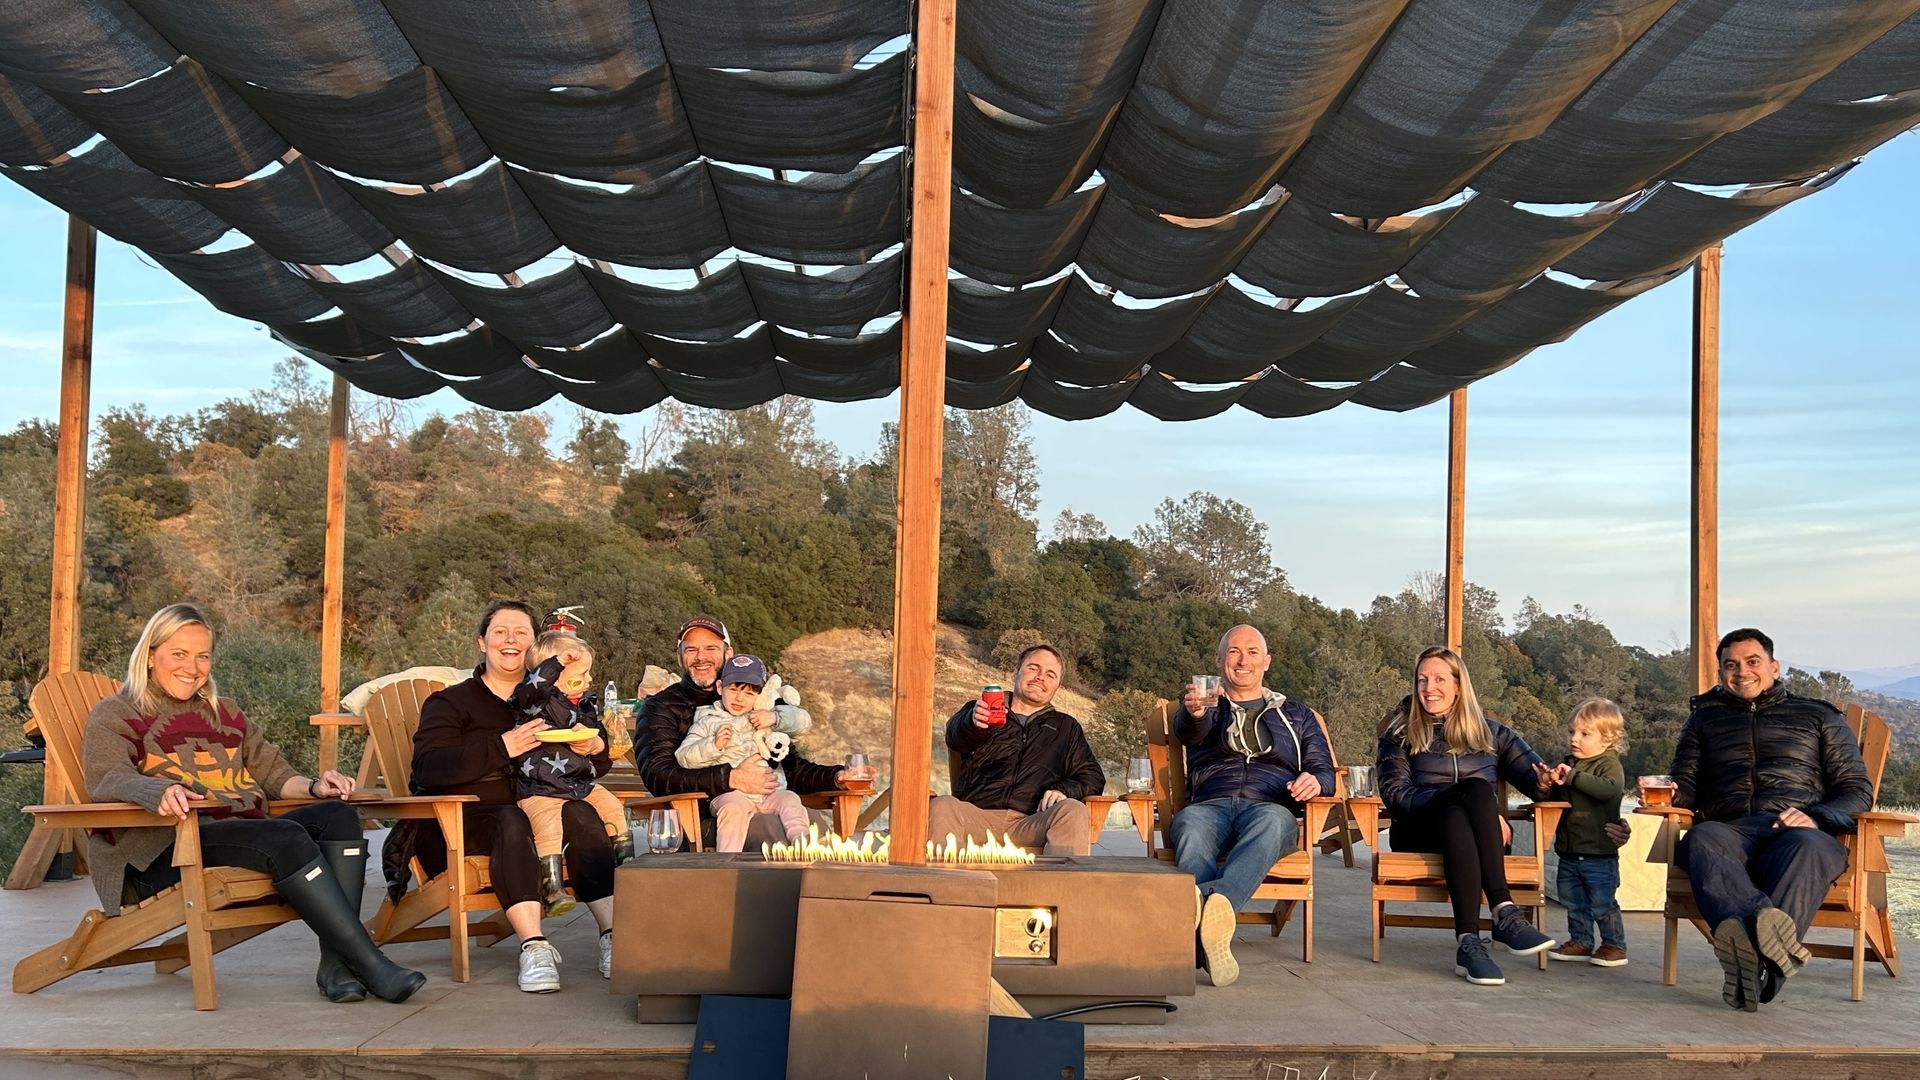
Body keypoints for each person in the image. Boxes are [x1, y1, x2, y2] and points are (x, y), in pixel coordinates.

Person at [82, 603, 424, 1004]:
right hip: (166, 853)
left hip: (240, 836)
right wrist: (155, 791)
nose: (192, 667)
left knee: (338, 815)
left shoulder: (224, 713)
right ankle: (370, 964)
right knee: (283, 836)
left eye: (202, 656)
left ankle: (336, 965)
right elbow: (105, 778)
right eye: (179, 654)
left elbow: (276, 776)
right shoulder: (117, 713)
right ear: (150, 655)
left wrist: (317, 787)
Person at [405, 600, 619, 992]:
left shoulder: (555, 700)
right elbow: (427, 769)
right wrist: (502, 745)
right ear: (481, 642)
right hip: (464, 822)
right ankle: (534, 946)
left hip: (543, 811)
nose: (510, 640)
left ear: (535, 645)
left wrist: (596, 750)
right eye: (500, 631)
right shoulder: (451, 703)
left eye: (521, 632)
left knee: (581, 814)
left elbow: (588, 768)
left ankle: (612, 936)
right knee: (513, 818)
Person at [1671, 627, 1871, 1011]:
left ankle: (1753, 963)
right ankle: (1768, 944)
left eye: (1752, 662)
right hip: (1731, 833)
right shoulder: (1704, 722)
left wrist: (1815, 817)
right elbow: (1685, 786)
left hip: (1798, 834)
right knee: (1702, 838)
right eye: (1730, 665)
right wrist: (1665, 794)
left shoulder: (1817, 716)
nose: (1741, 671)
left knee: (1809, 846)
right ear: (1721, 673)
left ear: (1774, 667)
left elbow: (1857, 790)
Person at [1376, 646, 1556, 986]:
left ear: (1459, 686)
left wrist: (1548, 783)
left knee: (1461, 815)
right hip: (1417, 832)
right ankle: (1504, 910)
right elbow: (1396, 795)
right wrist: (1476, 809)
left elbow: (1538, 783)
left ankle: (1469, 943)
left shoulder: (1493, 734)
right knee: (1473, 794)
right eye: (1422, 680)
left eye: (1439, 679)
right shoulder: (1400, 735)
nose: (1429, 688)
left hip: (1476, 839)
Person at [1171, 624, 1333, 987]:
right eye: (1233, 651)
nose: (1243, 660)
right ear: (1219, 660)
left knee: (1274, 824)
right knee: (1191, 829)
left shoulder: (1297, 714)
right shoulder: (1208, 705)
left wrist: (1316, 781)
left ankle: (1208, 910)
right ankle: (1211, 932)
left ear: (1267, 661)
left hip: (1270, 804)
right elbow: (1189, 731)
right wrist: (1194, 714)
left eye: (1252, 652)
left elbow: (1324, 769)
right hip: (1209, 802)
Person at [634, 615, 845, 846]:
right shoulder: (660, 707)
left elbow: (788, 766)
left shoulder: (753, 701)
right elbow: (658, 775)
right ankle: (730, 877)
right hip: (703, 815)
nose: (701, 657)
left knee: (816, 827)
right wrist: (730, 778)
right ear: (680, 657)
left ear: (728, 653)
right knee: (771, 830)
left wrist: (837, 776)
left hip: (767, 801)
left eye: (710, 648)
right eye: (691, 649)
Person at [930, 644, 1104, 858]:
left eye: (1050, 674)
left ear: (1056, 686)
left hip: (1031, 822)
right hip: (976, 816)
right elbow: (955, 737)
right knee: (942, 806)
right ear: (1016, 672)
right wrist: (973, 722)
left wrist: (1064, 789)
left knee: (1073, 810)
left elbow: (1093, 777)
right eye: (1033, 668)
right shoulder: (982, 710)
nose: (1040, 677)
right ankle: (946, 888)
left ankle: (1060, 890)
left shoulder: (1066, 728)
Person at [510, 630, 633, 917]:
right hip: (540, 786)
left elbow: (599, 740)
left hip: (579, 782)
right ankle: (552, 889)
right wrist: (555, 664)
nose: (590, 680)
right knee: (548, 830)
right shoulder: (535, 701)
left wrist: (594, 742)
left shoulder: (584, 703)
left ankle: (629, 871)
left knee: (614, 808)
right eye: (582, 673)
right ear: (553, 677)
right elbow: (531, 689)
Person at [675, 654, 815, 851]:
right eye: (733, 690)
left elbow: (804, 722)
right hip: (730, 793)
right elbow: (683, 757)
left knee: (791, 799)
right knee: (732, 809)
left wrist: (775, 717)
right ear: (719, 687)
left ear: (761, 696)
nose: (739, 698)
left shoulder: (764, 716)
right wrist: (713, 745)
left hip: (770, 793)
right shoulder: (708, 721)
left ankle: (804, 848)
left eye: (749, 694)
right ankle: (728, 862)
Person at [1543, 698, 1629, 967]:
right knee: (1573, 901)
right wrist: (1548, 783)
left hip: (1598, 853)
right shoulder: (1570, 765)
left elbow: (1608, 789)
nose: (1575, 738)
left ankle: (1614, 945)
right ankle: (1581, 941)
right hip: (1570, 851)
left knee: (1602, 903)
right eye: (1572, 732)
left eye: (1584, 733)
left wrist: (1572, 777)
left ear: (1608, 739)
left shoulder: (1608, 765)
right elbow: (1557, 798)